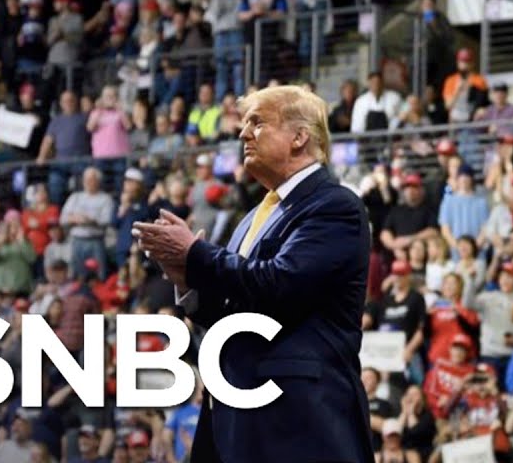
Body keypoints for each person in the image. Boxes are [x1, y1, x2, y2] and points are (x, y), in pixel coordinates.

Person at [134, 85, 373, 462]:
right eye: (244, 124)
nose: (243, 133)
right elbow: (238, 311)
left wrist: (195, 254)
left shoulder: (335, 205)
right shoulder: (252, 217)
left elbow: (281, 284)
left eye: (258, 123)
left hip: (296, 420)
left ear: (299, 137)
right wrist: (187, 280)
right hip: (237, 418)